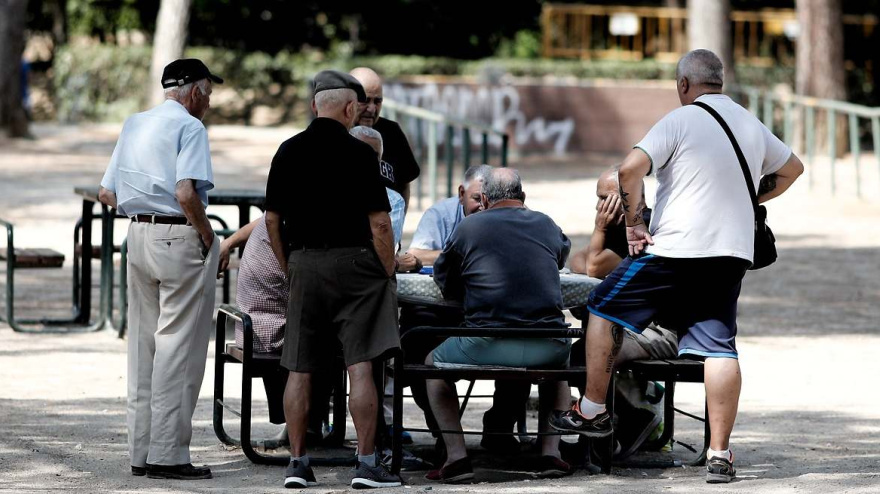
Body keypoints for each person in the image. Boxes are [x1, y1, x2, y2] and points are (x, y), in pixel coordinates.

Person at [549, 49, 804, 484]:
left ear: (684, 84)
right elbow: (792, 169)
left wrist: (632, 225)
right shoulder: (748, 122)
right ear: (720, 81)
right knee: (720, 346)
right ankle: (720, 455)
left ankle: (591, 410)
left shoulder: (679, 119)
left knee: (601, 305)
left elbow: (630, 170)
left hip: (676, 250)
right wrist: (749, 200)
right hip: (731, 252)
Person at [264, 69, 402, 489]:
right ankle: (365, 464)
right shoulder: (360, 155)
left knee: (300, 366)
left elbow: (271, 219)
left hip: (305, 263)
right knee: (361, 365)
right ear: (349, 109)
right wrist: (388, 269)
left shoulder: (287, 151)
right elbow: (380, 223)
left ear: (313, 107)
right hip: (356, 266)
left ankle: (299, 464)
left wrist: (290, 263)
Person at [97, 58, 223, 480]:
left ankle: (140, 451)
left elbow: (106, 193)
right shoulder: (190, 128)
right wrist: (205, 234)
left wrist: (143, 207)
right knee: (178, 348)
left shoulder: (135, 123)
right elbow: (186, 191)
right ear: (193, 92)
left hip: (137, 236)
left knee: (143, 346)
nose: (208, 101)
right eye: (207, 92)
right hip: (178, 236)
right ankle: (168, 455)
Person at [425, 168, 574, 482]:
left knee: (431, 367)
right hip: (547, 345)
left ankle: (457, 458)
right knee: (559, 371)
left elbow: (446, 280)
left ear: (484, 200)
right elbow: (560, 258)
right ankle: (551, 453)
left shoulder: (469, 226)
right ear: (523, 197)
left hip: (486, 343)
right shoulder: (546, 223)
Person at [403, 165, 531, 454]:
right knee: (414, 338)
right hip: (443, 313)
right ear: (461, 194)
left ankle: (499, 428)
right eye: (476, 199)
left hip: (494, 317)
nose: (483, 206)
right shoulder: (443, 215)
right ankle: (442, 431)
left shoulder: (506, 220)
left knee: (522, 333)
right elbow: (418, 254)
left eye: (488, 199)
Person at [567, 167, 679, 461]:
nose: (599, 206)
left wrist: (599, 230)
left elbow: (591, 268)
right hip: (633, 327)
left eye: (606, 198)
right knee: (584, 349)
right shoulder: (621, 228)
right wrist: (600, 238)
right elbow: (578, 260)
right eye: (598, 198)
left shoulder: (648, 229)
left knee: (583, 357)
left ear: (631, 197)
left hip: (660, 331)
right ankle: (602, 436)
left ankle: (631, 421)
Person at [349, 67, 421, 210]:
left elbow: (404, 183)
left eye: (377, 101)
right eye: (365, 100)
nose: (371, 108)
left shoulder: (392, 132)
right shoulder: (336, 131)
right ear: (349, 99)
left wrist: (399, 223)